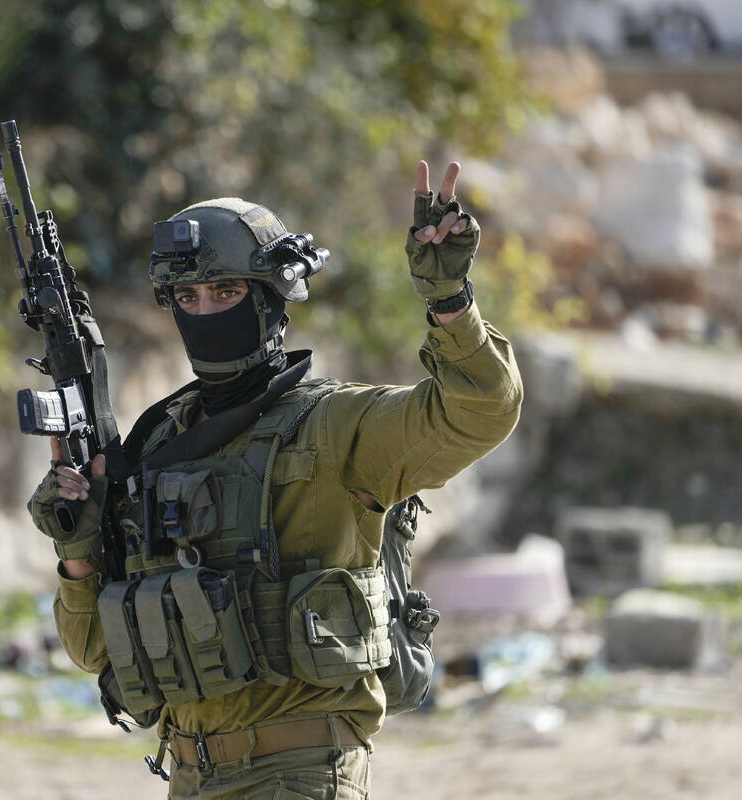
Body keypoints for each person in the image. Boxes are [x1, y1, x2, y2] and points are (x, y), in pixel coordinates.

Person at [28, 162, 522, 799]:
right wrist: (75, 550)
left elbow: (480, 412)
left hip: (302, 772)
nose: (204, 310)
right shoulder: (155, 447)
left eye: (226, 292)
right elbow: (98, 651)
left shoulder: (336, 424)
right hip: (189, 774)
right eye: (188, 297)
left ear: (270, 298)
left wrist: (450, 301)